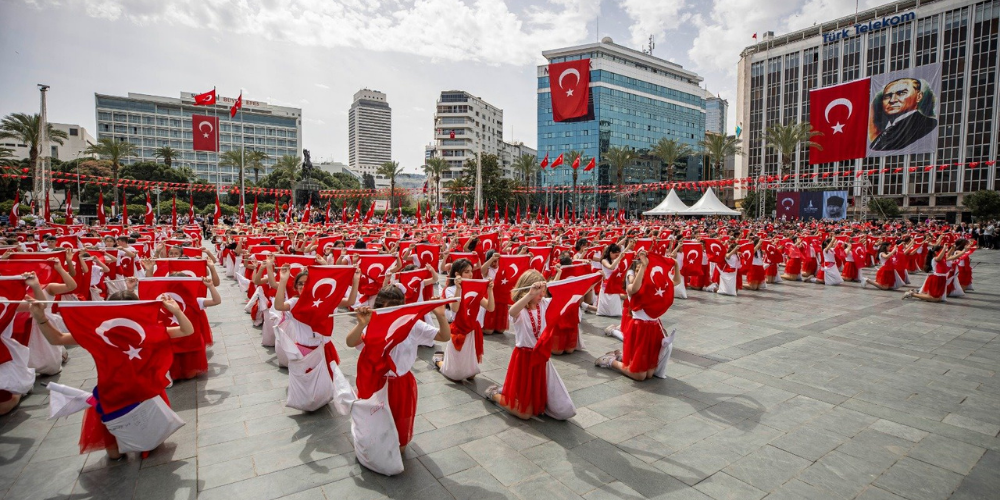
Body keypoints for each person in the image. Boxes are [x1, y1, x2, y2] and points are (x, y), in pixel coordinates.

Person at [27, 293, 193, 460]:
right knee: (116, 453)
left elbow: (187, 330)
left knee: (144, 442)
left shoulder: (147, 330)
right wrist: (41, 318)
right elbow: (57, 339)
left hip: (139, 393)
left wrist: (177, 311)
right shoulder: (99, 333)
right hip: (117, 394)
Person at [346, 288, 450, 453]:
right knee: (374, 429)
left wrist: (441, 315)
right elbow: (350, 342)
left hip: (400, 383)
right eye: (385, 307)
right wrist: (361, 324)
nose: (390, 312)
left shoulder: (412, 324)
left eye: (395, 307)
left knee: (399, 442)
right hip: (375, 382)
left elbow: (444, 336)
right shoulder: (372, 322)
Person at [483, 271, 573, 420]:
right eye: (539, 291)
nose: (542, 295)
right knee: (525, 414)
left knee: (560, 409)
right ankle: (494, 394)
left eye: (543, 291)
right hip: (524, 359)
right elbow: (512, 311)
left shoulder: (544, 304)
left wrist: (591, 281)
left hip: (541, 357)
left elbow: (566, 296)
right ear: (527, 289)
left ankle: (510, 392)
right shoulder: (520, 310)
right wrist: (531, 294)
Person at [595, 250, 681, 381]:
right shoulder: (631, 287)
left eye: (643, 269)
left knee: (650, 373)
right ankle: (610, 361)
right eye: (637, 270)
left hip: (654, 329)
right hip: (639, 328)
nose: (640, 271)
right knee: (640, 376)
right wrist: (643, 266)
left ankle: (621, 356)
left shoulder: (654, 286)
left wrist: (675, 264)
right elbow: (635, 289)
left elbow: (676, 281)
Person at [869, 78, 938, 151]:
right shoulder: (886, 128)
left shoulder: (927, 124)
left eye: (901, 93)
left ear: (919, 97)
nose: (892, 100)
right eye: (887, 96)